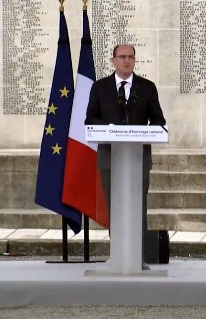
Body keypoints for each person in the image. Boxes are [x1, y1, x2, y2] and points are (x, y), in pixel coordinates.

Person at [85, 44, 166, 269]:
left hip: (138, 157)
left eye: (130, 57)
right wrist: (113, 128)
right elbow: (90, 119)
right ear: (113, 60)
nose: (127, 61)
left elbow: (159, 121)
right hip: (110, 156)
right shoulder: (100, 88)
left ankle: (138, 257)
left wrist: (138, 131)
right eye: (122, 57)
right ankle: (119, 254)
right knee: (115, 205)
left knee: (138, 205)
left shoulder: (147, 87)